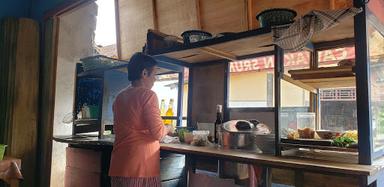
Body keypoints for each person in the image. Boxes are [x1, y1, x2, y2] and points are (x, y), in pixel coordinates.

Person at [109, 52, 172, 187]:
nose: (155, 79)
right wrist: (169, 128)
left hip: (118, 166)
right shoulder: (148, 95)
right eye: (154, 74)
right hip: (140, 167)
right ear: (144, 73)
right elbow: (158, 133)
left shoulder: (119, 97)